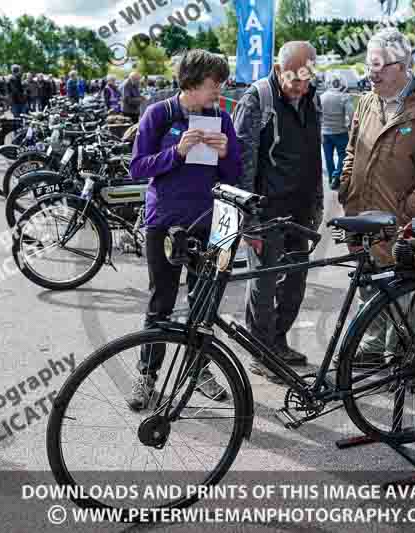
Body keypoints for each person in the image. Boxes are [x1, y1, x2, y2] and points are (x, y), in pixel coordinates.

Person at [126, 50, 243, 411]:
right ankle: (147, 375)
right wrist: (176, 152)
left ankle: (197, 369)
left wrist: (227, 155)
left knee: (202, 303)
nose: (218, 92)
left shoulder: (221, 118)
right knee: (160, 302)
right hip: (164, 222)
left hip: (209, 224)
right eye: (213, 85)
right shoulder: (158, 114)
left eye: (221, 85)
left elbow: (235, 176)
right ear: (191, 83)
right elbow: (137, 168)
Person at [337, 27, 415, 361]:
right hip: (361, 215)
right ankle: (374, 346)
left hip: (400, 219)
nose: (371, 72)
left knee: (402, 291)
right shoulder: (366, 101)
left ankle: (403, 357)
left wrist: (408, 209)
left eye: (379, 65)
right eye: (369, 65)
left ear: (402, 66)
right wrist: (347, 188)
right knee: (369, 283)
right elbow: (351, 150)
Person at [233, 41, 324, 381]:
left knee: (295, 281)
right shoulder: (257, 100)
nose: (301, 86)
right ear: (276, 69)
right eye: (294, 79)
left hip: (300, 210)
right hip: (266, 210)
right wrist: (249, 219)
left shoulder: (311, 96)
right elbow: (244, 163)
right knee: (265, 282)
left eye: (307, 78)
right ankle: (261, 350)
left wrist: (316, 203)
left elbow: (314, 155)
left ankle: (278, 341)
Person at [320, 75, 354, 190]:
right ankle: (337, 176)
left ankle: (331, 178)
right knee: (342, 155)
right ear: (340, 84)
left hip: (325, 133)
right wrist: (350, 125)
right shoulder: (344, 97)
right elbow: (351, 114)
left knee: (328, 157)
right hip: (340, 131)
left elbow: (317, 115)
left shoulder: (322, 97)